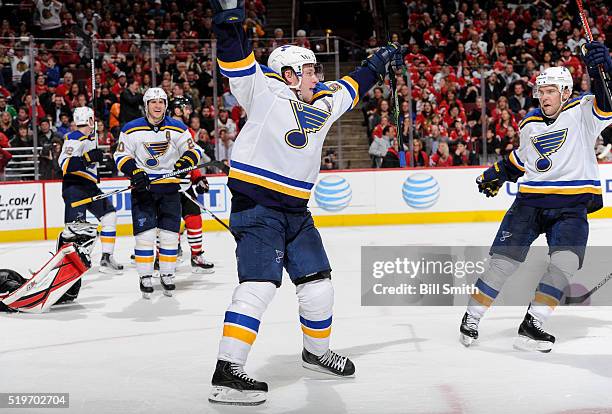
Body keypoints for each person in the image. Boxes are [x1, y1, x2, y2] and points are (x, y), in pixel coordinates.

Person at [207, 0, 407, 405]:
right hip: (257, 208)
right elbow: (235, 57)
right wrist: (229, 21)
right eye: (312, 69)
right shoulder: (263, 91)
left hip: (297, 212)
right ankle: (227, 371)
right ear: (289, 73)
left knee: (319, 286)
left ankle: (315, 354)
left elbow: (353, 85)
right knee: (259, 286)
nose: (319, 75)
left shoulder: (324, 101)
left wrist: (380, 61)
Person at [460, 43, 612, 353]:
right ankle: (471, 317)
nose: (544, 97)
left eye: (551, 91)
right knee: (501, 264)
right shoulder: (529, 122)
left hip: (571, 206)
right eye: (541, 91)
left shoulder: (584, 111)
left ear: (566, 92)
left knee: (565, 264)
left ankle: (534, 322)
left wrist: (601, 71)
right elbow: (523, 158)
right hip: (529, 204)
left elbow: (607, 104)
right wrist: (497, 173)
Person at [113, 88, 202, 298]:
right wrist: (134, 171)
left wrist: (183, 163)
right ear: (146, 105)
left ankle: (168, 273)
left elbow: (194, 150)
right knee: (145, 236)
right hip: (143, 190)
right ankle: (145, 276)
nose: (157, 105)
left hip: (170, 189)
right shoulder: (131, 129)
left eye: (161, 101)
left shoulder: (178, 127)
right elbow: (121, 155)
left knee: (170, 235)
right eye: (153, 102)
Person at [58, 107, 123, 273]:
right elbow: (64, 164)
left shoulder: (90, 137)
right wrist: (87, 158)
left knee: (109, 215)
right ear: (90, 121)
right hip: (75, 187)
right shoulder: (74, 138)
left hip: (89, 186)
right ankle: (66, 268)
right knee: (76, 231)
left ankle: (107, 258)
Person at [168, 96, 214, 274]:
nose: (189, 111)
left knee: (194, 217)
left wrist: (197, 178)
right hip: (168, 186)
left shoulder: (189, 131)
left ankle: (196, 256)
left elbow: (191, 161)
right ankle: (161, 257)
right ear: (177, 110)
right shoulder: (164, 128)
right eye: (186, 108)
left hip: (185, 186)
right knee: (167, 223)